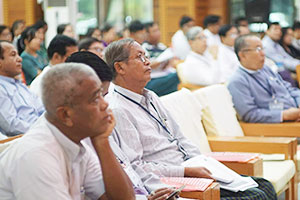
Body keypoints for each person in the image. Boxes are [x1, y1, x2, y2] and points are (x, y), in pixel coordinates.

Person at [104, 38, 277, 200]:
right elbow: (137, 167)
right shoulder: (118, 109)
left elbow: (179, 138)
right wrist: (186, 171)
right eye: (139, 57)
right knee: (256, 195)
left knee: (265, 185)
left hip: (193, 166)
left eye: (146, 56)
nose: (148, 62)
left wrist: (203, 163)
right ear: (120, 67)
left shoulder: (151, 96)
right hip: (173, 179)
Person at [0, 62, 135, 200]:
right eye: (95, 99)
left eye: (102, 94)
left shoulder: (76, 140)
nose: (105, 104)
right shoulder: (36, 155)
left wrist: (102, 141)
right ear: (65, 115)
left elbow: (125, 198)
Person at [65, 51, 181, 200]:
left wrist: (150, 196)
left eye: (105, 95)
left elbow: (128, 169)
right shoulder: (69, 138)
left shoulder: (97, 124)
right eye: (96, 97)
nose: (105, 104)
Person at [228, 34, 300, 123]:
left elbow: (289, 89)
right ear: (242, 55)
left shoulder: (266, 69)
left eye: (263, 49)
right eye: (258, 49)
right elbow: (250, 115)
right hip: (277, 125)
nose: (263, 54)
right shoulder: (238, 81)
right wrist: (284, 115)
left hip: (295, 115)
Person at [0, 41, 44, 136]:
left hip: (40, 131)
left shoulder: (20, 85)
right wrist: (40, 130)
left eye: (18, 55)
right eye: (13, 55)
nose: (19, 59)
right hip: (24, 138)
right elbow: (11, 125)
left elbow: (41, 109)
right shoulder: (1, 88)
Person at [142, 22, 179, 96]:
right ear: (147, 34)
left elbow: (167, 66)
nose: (158, 33)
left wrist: (168, 61)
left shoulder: (162, 47)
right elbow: (146, 67)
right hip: (152, 79)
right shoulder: (144, 48)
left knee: (177, 75)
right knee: (176, 77)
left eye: (158, 30)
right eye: (154, 31)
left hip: (163, 75)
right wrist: (158, 61)